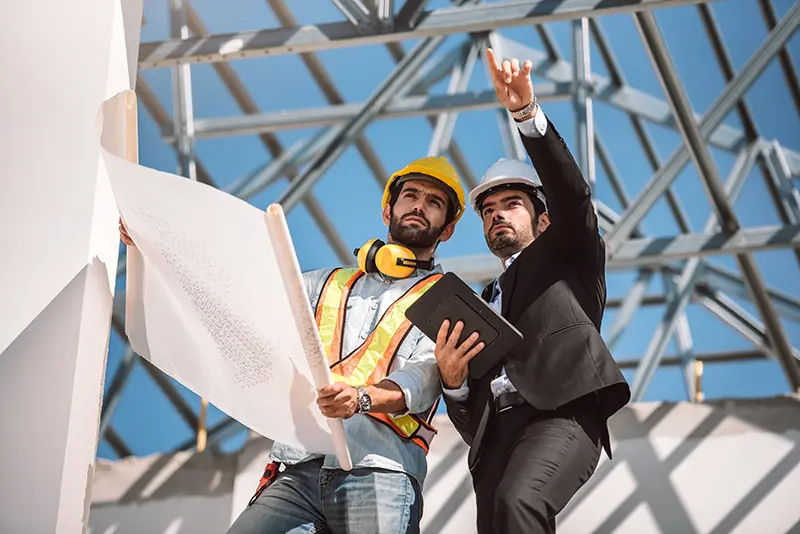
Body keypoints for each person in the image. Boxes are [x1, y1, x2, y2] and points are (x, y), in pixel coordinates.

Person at [120, 156, 467, 533]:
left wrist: (362, 398)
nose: (418, 205)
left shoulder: (445, 301)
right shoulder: (325, 283)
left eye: (433, 202)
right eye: (410, 195)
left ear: (447, 230)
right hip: (300, 467)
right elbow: (239, 295)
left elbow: (424, 377)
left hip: (379, 469)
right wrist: (161, 247)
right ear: (388, 211)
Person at [434, 48, 631, 534]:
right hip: (497, 437)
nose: (497, 213)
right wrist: (455, 383)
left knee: (521, 502)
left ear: (542, 219)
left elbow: (572, 195)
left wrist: (525, 114)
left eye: (512, 203)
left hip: (561, 417)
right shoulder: (476, 305)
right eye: (488, 209)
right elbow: (470, 419)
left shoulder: (568, 256)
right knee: (502, 518)